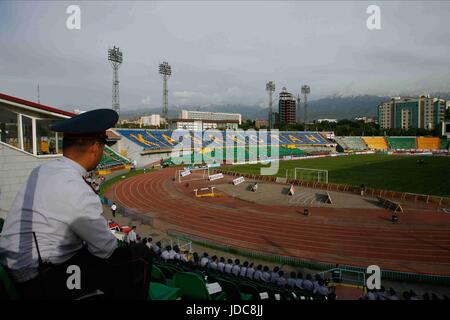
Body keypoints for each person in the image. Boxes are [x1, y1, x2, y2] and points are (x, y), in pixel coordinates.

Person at [0, 109, 152, 299]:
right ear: (96, 148)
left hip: (14, 266)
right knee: (140, 255)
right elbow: (106, 249)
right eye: (103, 147)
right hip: (40, 280)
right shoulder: (76, 188)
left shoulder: (41, 170)